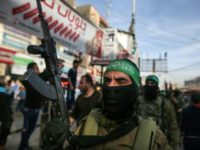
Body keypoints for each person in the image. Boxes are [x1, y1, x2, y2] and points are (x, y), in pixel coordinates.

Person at [66, 59, 172, 150]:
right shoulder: (86, 125)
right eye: (107, 81)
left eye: (121, 82)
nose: (111, 86)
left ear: (135, 90)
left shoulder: (152, 138)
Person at [137, 75, 180, 150]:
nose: (150, 85)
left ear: (157, 87)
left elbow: (173, 127)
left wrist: (175, 145)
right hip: (139, 142)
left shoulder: (165, 104)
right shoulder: (137, 101)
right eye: (148, 83)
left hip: (159, 143)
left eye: (152, 83)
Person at [18, 62, 44, 150]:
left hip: (36, 110)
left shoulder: (36, 80)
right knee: (26, 131)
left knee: (30, 130)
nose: (38, 70)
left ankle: (25, 145)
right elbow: (43, 76)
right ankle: (21, 147)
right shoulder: (29, 80)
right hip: (29, 110)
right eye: (36, 68)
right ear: (31, 70)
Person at [0, 80, 13, 150]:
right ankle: (2, 144)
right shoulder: (4, 94)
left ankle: (2, 144)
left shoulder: (4, 94)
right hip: (6, 119)